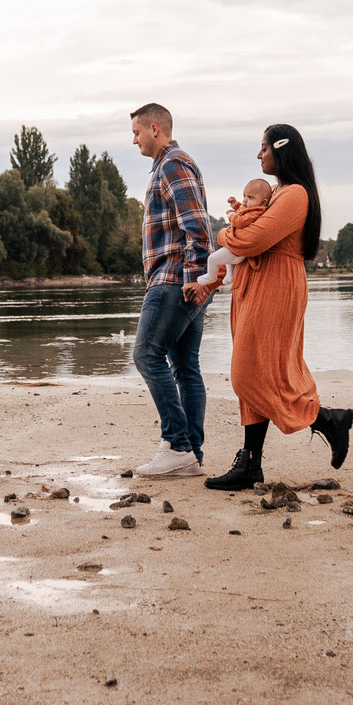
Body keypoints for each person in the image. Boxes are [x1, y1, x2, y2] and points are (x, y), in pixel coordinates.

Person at [199, 123, 353, 491]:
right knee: (258, 367)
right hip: (256, 282)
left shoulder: (294, 195)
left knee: (249, 372)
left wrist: (221, 234)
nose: (259, 155)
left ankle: (327, 419)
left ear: (282, 150)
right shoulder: (278, 192)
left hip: (277, 285)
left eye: (264, 148)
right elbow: (249, 237)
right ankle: (250, 464)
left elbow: (251, 239)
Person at [128, 101, 212, 478]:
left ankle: (177, 444)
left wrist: (195, 278)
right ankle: (190, 453)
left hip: (174, 278)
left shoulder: (173, 163)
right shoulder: (172, 164)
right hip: (185, 278)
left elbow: (196, 225)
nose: (135, 140)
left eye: (136, 132)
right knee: (184, 367)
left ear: (155, 129)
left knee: (146, 355)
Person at [196, 179, 275, 288]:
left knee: (211, 259)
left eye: (250, 197)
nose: (245, 200)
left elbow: (240, 221)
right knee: (226, 250)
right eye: (244, 196)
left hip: (237, 252)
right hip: (235, 251)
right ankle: (230, 274)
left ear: (263, 202)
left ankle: (211, 276)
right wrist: (235, 204)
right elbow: (241, 209)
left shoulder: (257, 212)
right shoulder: (251, 208)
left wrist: (230, 215)